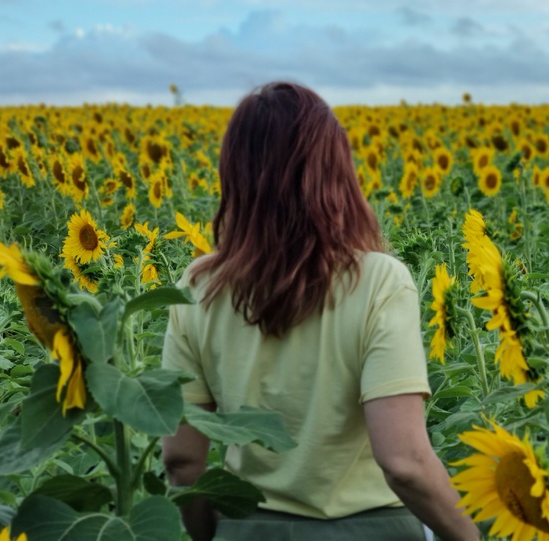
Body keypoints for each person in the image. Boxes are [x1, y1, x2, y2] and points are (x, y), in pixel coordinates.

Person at [160, 81, 480, 541]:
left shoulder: (199, 287)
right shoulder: (379, 281)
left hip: (250, 528)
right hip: (371, 530)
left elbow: (181, 460)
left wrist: (219, 534)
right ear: (336, 170)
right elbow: (404, 463)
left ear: (234, 174)